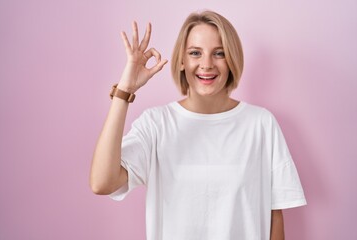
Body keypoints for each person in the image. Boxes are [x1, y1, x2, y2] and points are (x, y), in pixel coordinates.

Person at [90, 10, 306, 240]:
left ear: (232, 59)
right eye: (195, 53)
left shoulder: (261, 124)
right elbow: (103, 183)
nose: (206, 64)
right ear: (182, 61)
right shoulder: (156, 124)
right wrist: (125, 90)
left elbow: (275, 215)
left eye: (219, 53)